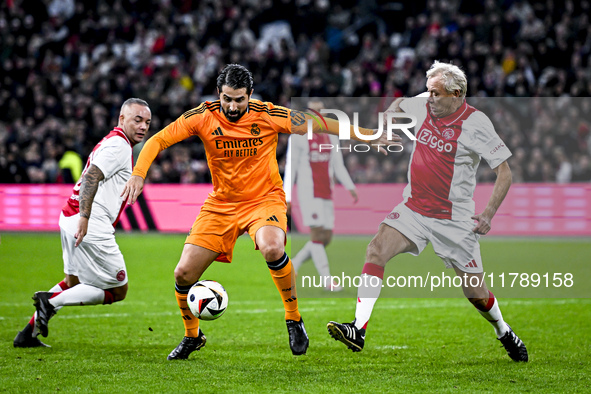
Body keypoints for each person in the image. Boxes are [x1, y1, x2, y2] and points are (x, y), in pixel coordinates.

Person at [121, 64, 392, 360]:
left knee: (273, 247)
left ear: (250, 95)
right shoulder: (201, 116)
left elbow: (321, 122)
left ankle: (293, 318)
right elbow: (159, 139)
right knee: (183, 273)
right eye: (227, 99)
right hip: (221, 205)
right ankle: (192, 336)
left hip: (264, 199)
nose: (233, 106)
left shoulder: (268, 115)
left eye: (239, 99)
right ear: (218, 94)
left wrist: (366, 135)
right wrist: (138, 173)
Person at [327, 61, 529, 362]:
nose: (429, 98)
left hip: (455, 221)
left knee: (476, 293)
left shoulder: (477, 124)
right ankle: (358, 329)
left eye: (436, 93)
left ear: (456, 94)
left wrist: (487, 214)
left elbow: (505, 172)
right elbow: (397, 105)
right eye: (428, 92)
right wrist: (385, 125)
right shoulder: (425, 104)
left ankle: (503, 330)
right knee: (376, 250)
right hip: (414, 209)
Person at [14, 98, 151, 348]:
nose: (143, 126)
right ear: (122, 119)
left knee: (72, 283)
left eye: (147, 122)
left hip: (70, 215)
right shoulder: (119, 146)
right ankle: (49, 302)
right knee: (118, 290)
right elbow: (90, 177)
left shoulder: (113, 140)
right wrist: (86, 218)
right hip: (89, 221)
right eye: (137, 120)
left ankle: (27, 335)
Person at [284, 100, 358, 291]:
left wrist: (349, 186)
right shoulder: (298, 135)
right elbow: (291, 167)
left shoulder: (330, 135)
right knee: (317, 235)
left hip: (327, 191)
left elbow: (337, 163)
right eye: (314, 110)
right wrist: (288, 197)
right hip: (309, 192)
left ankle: (293, 264)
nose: (318, 113)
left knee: (326, 238)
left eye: (321, 110)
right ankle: (328, 281)